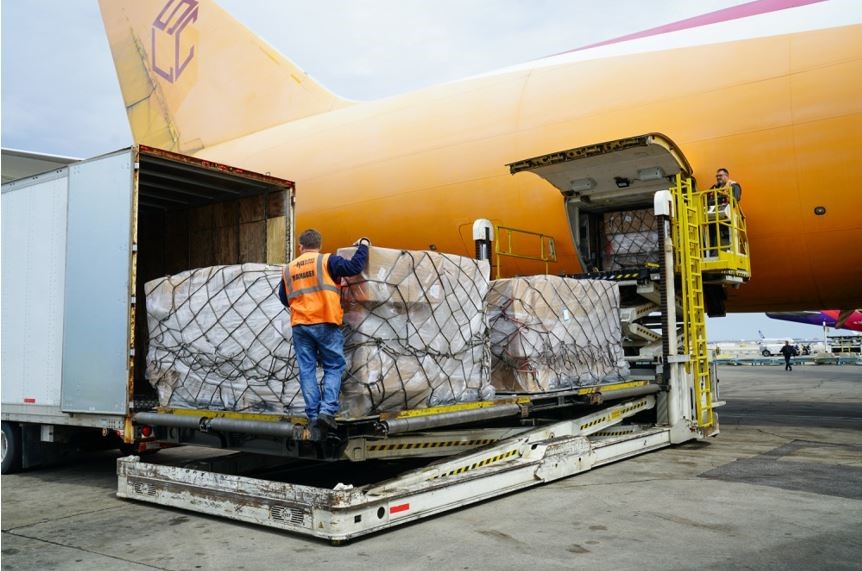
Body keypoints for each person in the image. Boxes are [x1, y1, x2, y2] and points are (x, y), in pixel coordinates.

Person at [278, 229, 370, 433]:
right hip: (325, 321)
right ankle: (327, 412)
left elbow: (284, 298)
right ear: (320, 245)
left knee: (307, 369)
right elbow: (355, 266)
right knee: (333, 365)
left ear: (300, 247)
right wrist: (363, 244)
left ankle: (313, 415)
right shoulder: (327, 261)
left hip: (300, 325)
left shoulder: (288, 269)